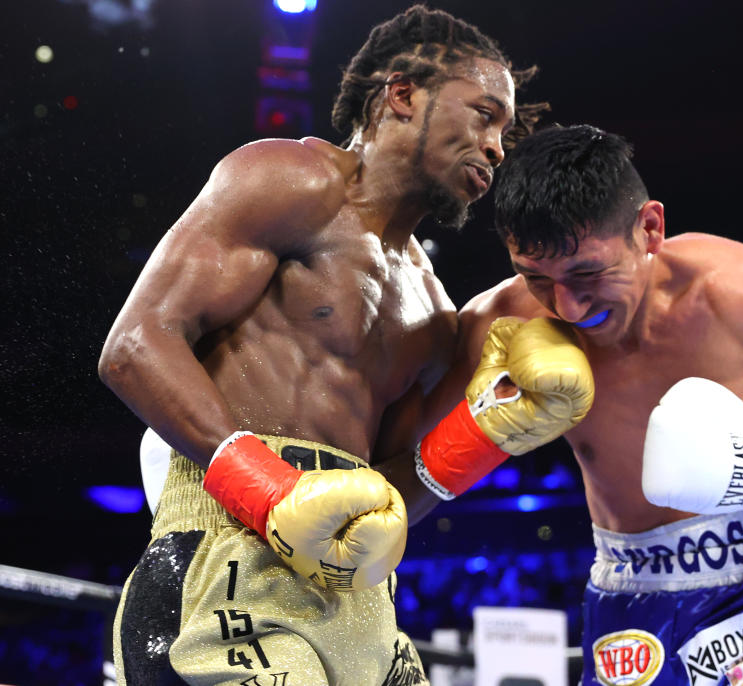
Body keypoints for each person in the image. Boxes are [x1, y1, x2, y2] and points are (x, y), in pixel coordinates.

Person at [98, 6, 596, 684]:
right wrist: (269, 493)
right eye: (484, 114)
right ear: (402, 95)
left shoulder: (433, 311)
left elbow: (381, 506)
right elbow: (134, 346)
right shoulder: (289, 180)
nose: (498, 146)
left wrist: (483, 437)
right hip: (228, 545)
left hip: (357, 599)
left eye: (504, 130)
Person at [423, 124, 743, 685]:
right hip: (631, 602)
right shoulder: (502, 325)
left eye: (588, 273)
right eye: (536, 278)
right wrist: (481, 432)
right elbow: (408, 458)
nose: (569, 307)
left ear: (649, 228)